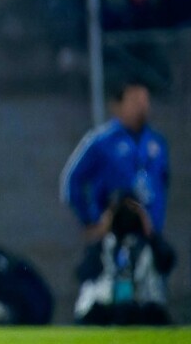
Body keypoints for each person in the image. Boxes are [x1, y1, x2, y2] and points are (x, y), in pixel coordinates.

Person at [60, 80, 170, 243]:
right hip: (111, 233)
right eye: (134, 101)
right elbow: (72, 182)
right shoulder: (100, 141)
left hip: (149, 235)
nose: (141, 106)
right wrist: (89, 222)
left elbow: (163, 183)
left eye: (144, 100)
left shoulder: (157, 142)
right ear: (117, 106)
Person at [74, 193, 174, 325]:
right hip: (105, 307)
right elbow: (83, 272)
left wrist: (149, 230)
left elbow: (167, 262)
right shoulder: (103, 245)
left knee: (154, 314)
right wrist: (102, 231)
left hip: (140, 306)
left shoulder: (147, 245)